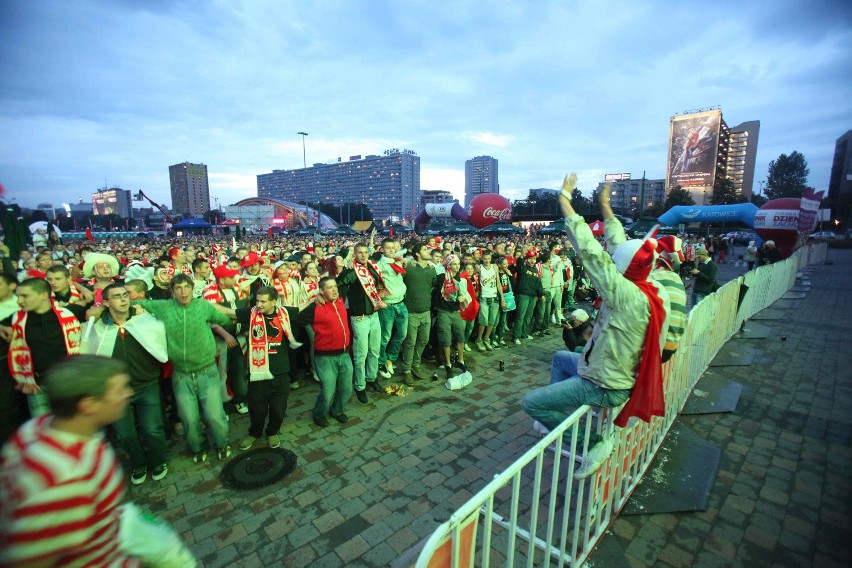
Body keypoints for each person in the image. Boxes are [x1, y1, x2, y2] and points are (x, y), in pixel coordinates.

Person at [522, 174, 669, 480]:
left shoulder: (626, 294)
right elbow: (619, 245)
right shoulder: (647, 282)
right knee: (561, 358)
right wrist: (605, 206)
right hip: (606, 368)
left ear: (622, 271)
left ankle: (592, 444)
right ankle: (556, 416)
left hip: (605, 384)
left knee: (531, 402)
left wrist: (565, 201)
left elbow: (593, 254)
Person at [0, 356, 138, 566]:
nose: (129, 393)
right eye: (119, 390)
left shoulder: (36, 428)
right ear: (88, 405)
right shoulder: (67, 480)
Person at [132, 274, 234, 463]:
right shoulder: (164, 307)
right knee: (189, 419)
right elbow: (138, 304)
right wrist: (98, 309)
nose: (183, 291)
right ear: (172, 291)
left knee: (214, 415)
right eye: (178, 288)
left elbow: (223, 319)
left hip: (207, 371)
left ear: (192, 288)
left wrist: (221, 320)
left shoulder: (203, 306)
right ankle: (198, 448)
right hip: (181, 375)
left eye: (186, 287)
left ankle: (222, 444)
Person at [81, 283, 170, 484]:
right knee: (125, 434)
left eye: (125, 295)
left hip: (146, 383)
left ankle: (158, 461)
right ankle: (139, 464)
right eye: (117, 296)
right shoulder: (97, 327)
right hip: (115, 392)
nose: (123, 299)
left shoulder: (144, 318)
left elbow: (158, 341)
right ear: (105, 302)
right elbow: (88, 352)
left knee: (152, 429)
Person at [224, 286, 303, 448]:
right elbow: (230, 313)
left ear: (274, 302)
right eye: (257, 300)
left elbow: (301, 308)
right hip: (258, 373)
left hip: (281, 372)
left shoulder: (284, 313)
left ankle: (272, 432)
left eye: (263, 301)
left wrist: (316, 299)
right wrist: (204, 304)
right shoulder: (251, 313)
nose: (259, 304)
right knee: (257, 410)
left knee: (278, 410)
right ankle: (254, 433)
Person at [0, 278, 87, 417]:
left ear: (43, 295)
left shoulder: (71, 313)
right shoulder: (14, 319)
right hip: (38, 387)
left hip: (69, 384)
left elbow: (99, 306)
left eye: (25, 296)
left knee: (73, 427)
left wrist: (95, 304)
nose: (19, 301)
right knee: (43, 431)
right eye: (18, 296)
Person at [295, 278, 353, 427]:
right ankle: (319, 413)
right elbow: (295, 316)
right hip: (325, 357)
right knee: (328, 391)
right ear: (321, 291)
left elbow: (348, 275)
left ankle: (337, 411)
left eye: (335, 286)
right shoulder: (315, 307)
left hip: (345, 354)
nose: (334, 290)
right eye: (329, 287)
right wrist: (311, 301)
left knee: (346, 389)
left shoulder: (341, 300)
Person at [337, 242, 386, 401]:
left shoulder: (372, 267)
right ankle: (360, 386)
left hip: (374, 315)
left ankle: (372, 378)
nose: (363, 255)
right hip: (359, 317)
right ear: (354, 255)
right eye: (360, 252)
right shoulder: (351, 272)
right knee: (360, 354)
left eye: (365, 252)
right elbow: (337, 285)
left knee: (374, 351)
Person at [400, 243, 437, 385]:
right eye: (424, 249)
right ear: (417, 253)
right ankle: (407, 370)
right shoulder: (409, 267)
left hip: (426, 311)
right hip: (411, 312)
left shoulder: (431, 269)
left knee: (423, 340)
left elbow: (434, 285)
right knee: (410, 343)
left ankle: (416, 365)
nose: (428, 251)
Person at [434, 255, 472, 379]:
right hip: (443, 312)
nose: (457, 266)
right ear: (448, 265)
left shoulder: (461, 280)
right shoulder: (441, 278)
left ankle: (461, 360)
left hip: (455, 312)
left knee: (460, 336)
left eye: (458, 264)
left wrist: (463, 298)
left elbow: (466, 295)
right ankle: (448, 364)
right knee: (446, 339)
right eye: (454, 264)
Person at [375, 238, 409, 379]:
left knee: (402, 334)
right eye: (387, 247)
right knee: (385, 337)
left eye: (392, 247)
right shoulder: (380, 264)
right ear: (382, 249)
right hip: (387, 305)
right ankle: (381, 361)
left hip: (401, 303)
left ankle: (390, 358)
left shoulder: (398, 261)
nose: (391, 250)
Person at [474, 249, 505, 351]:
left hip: (494, 297)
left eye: (488, 258)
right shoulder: (479, 267)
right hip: (484, 298)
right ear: (482, 259)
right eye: (485, 259)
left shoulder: (494, 267)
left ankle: (486, 338)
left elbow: (498, 283)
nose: (487, 260)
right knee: (483, 321)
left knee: (492, 321)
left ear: (491, 258)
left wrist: (502, 298)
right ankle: (479, 339)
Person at [512, 250, 546, 345]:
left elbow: (538, 283)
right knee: (520, 317)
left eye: (534, 258)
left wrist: (541, 294)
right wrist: (523, 256)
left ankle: (524, 333)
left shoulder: (535, 270)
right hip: (522, 295)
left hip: (532, 296)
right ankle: (516, 336)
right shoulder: (522, 267)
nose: (532, 260)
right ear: (526, 259)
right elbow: (519, 261)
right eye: (530, 258)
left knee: (528, 317)